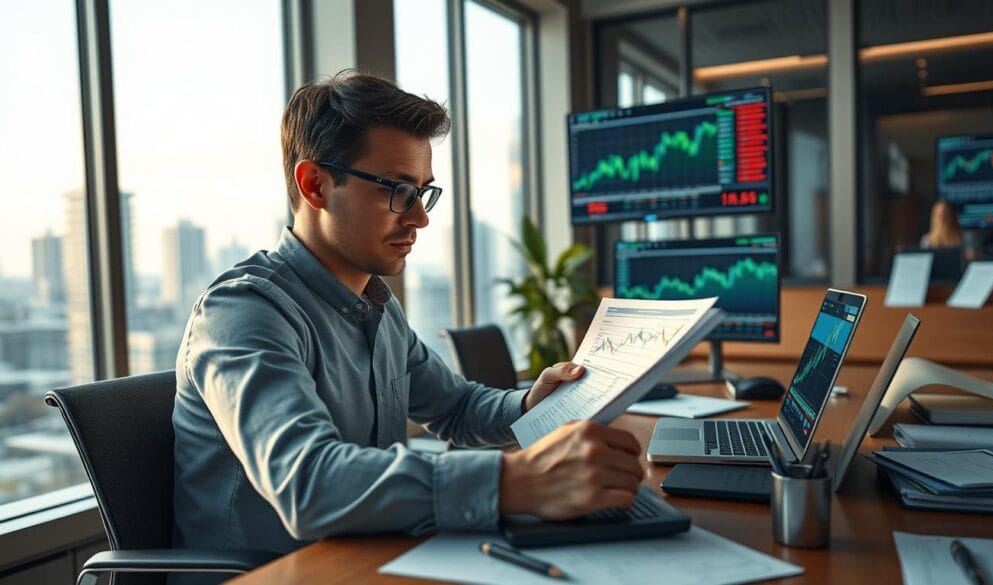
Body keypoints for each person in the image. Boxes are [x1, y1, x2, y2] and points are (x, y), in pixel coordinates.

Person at [171, 70, 643, 573]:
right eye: (397, 190)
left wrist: (530, 403)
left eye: (423, 191)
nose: (419, 217)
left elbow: (456, 408)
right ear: (315, 185)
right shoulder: (244, 312)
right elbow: (307, 483)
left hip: (371, 558)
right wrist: (515, 481)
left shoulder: (375, 304)